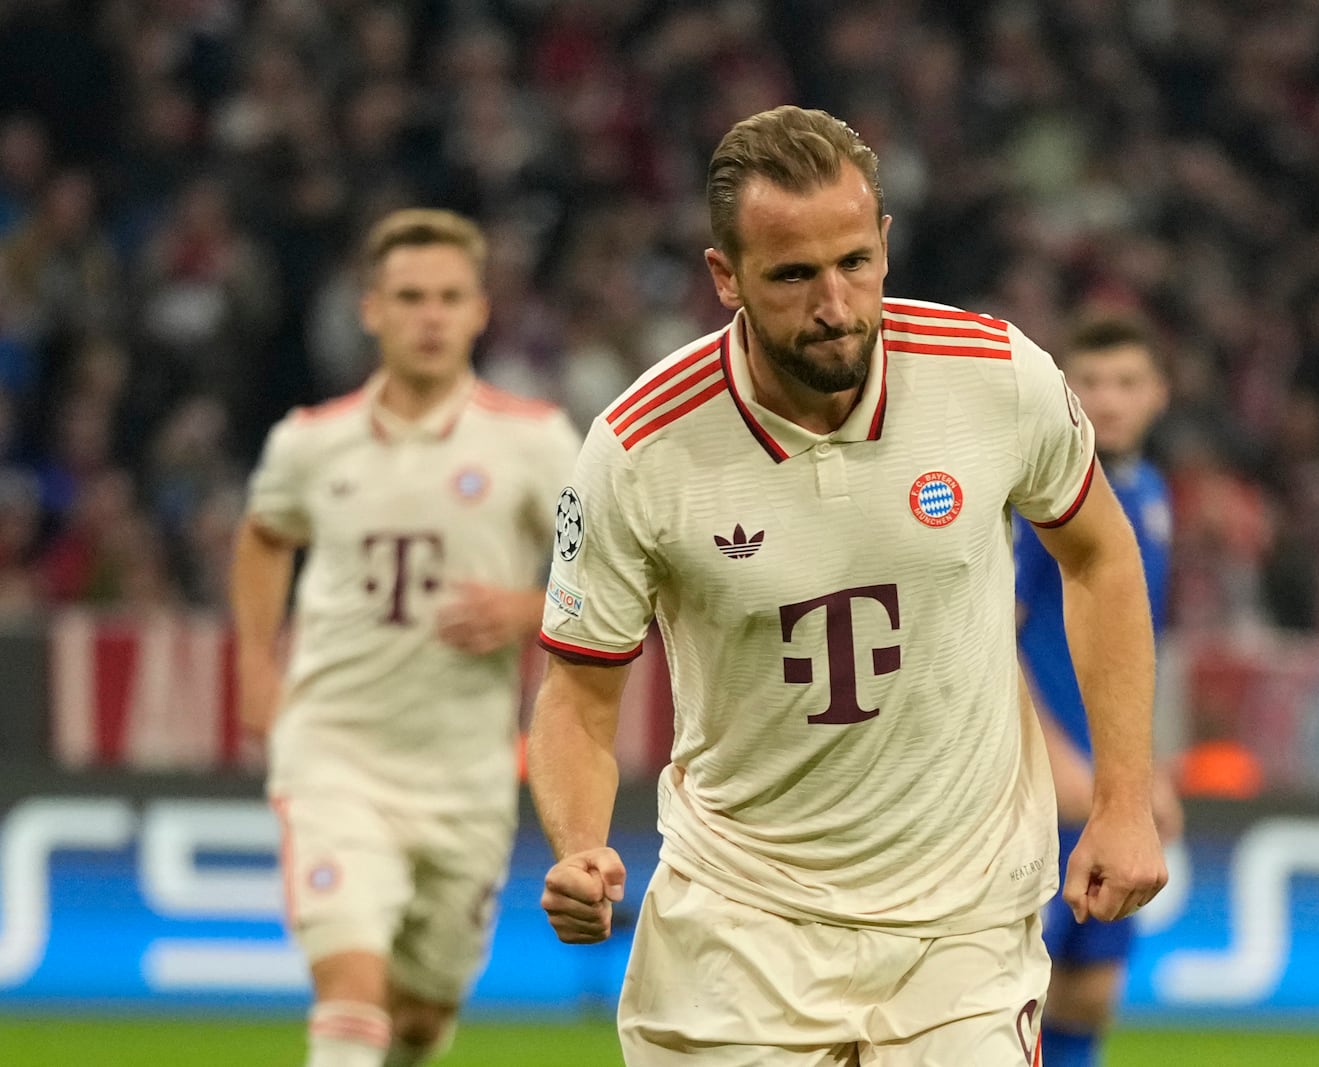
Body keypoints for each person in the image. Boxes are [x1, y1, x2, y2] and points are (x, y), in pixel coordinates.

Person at [528, 105, 1167, 1066]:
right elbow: (578, 690)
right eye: (793, 275)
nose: (835, 304)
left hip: (965, 921)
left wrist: (1125, 797)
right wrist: (578, 841)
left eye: (856, 263)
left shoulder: (993, 376)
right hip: (739, 924)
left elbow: (1100, 555)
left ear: (885, 244)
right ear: (724, 277)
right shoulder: (638, 449)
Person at [231, 208, 579, 1067]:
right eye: (411, 297)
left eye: (449, 297)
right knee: (351, 990)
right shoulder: (310, 442)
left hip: (467, 773)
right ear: (370, 310)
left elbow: (613, 572)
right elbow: (265, 535)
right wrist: (251, 660)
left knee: (419, 1019)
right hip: (335, 755)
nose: (430, 315)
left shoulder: (535, 442)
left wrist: (531, 606)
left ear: (480, 311)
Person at [1014, 315, 1184, 1067]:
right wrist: (1053, 757)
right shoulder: (1041, 500)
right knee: (1007, 993)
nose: (1108, 400)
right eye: (1091, 382)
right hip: (1040, 787)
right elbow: (991, 634)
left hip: (1107, 788)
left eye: (1126, 383)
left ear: (1159, 396)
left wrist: (1147, 775)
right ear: (1065, 391)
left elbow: (1136, 650)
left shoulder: (1151, 493)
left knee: (1089, 993)